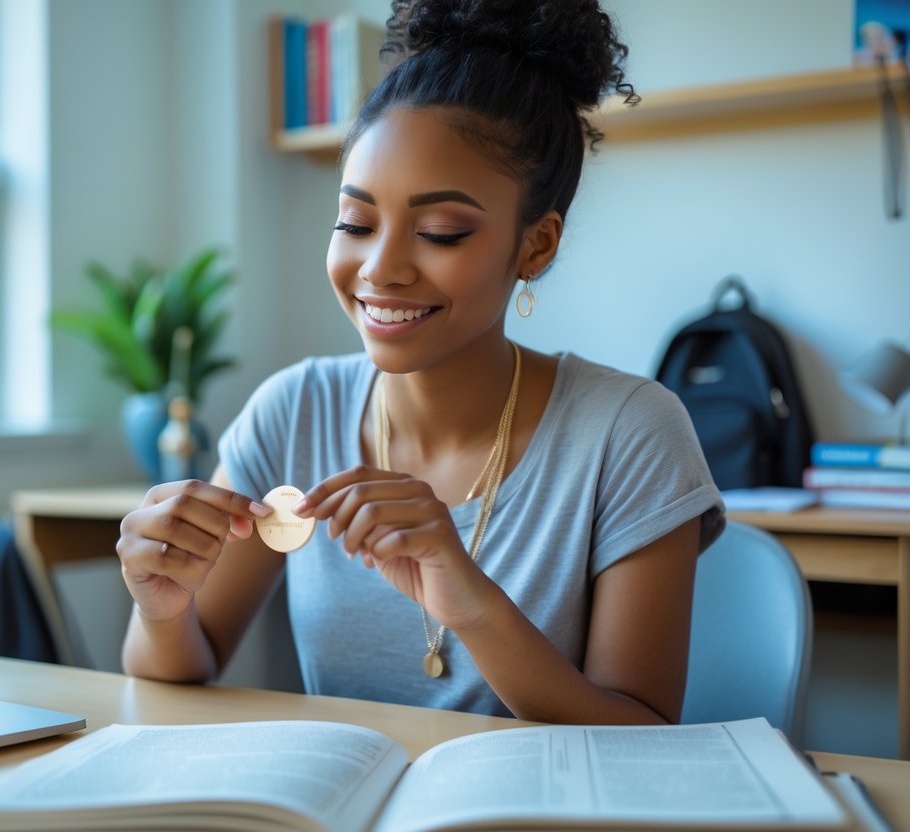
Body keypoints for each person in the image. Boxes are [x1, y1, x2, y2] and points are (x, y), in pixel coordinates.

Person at [117, 0, 725, 725]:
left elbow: (645, 732)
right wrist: (161, 608)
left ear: (535, 246)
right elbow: (181, 670)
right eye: (356, 222)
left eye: (440, 232)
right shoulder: (292, 411)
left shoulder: (629, 432)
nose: (381, 268)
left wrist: (469, 600)